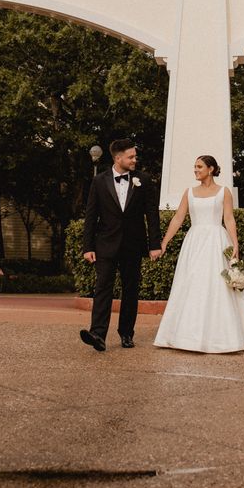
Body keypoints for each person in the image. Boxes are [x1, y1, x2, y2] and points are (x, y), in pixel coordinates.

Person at [154, 155, 244, 354]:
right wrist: (165, 241)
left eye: (199, 166)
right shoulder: (190, 193)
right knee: (191, 282)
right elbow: (178, 218)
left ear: (210, 169)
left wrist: (235, 244)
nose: (195, 170)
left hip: (216, 241)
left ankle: (222, 337)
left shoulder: (223, 192)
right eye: (194, 166)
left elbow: (229, 219)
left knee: (217, 286)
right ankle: (185, 335)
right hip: (194, 242)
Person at [80, 139, 162, 352]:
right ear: (118, 158)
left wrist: (155, 244)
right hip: (105, 245)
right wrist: (87, 247)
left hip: (133, 245)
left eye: (135, 156)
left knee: (130, 290)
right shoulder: (99, 181)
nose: (135, 160)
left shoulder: (143, 180)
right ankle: (97, 334)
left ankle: (126, 333)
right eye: (131, 157)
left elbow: (152, 214)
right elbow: (91, 216)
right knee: (102, 289)